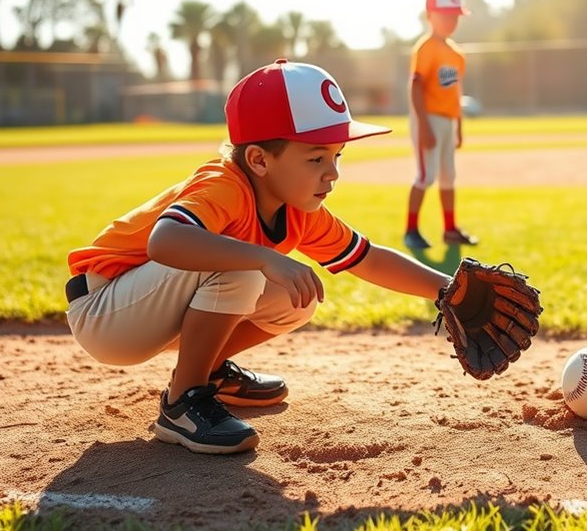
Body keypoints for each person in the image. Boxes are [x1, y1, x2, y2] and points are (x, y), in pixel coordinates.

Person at [66, 59, 459, 454]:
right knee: (244, 267)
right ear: (258, 160)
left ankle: (207, 372)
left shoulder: (300, 211)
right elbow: (164, 241)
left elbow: (367, 258)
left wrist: (446, 289)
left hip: (151, 307)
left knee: (295, 298)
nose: (333, 173)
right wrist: (265, 258)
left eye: (337, 156)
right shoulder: (224, 185)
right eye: (316, 158)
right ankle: (181, 402)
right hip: (105, 310)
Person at [404, 0, 478, 250]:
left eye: (455, 15)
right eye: (445, 15)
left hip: (447, 120)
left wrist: (458, 127)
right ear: (429, 16)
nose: (451, 21)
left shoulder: (456, 53)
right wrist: (423, 125)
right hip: (429, 119)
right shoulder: (426, 47)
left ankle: (450, 229)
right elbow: (415, 86)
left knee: (449, 176)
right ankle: (411, 230)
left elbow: (455, 93)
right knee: (426, 175)